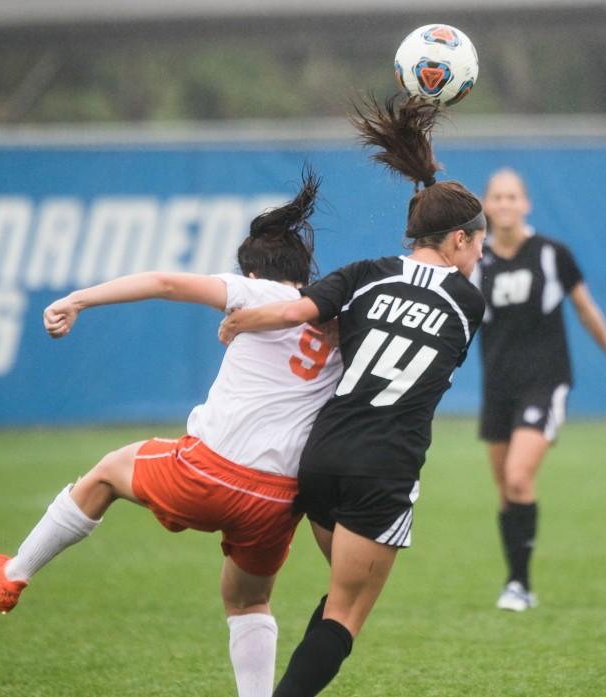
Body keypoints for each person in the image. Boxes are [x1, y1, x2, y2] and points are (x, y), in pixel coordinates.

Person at [0, 170, 342, 697]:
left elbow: (165, 282)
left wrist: (79, 299)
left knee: (105, 475)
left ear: (254, 269)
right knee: (249, 602)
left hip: (210, 471)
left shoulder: (253, 290)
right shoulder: (338, 322)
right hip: (277, 499)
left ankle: (12, 575)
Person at [217, 94, 487, 697]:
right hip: (383, 466)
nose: (479, 255)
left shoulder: (364, 274)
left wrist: (240, 320)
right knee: (345, 612)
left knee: (337, 595)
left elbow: (295, 309)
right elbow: (437, 272)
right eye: (477, 243)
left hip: (321, 457)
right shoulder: (468, 302)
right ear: (463, 242)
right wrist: (430, 180)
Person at [474, 168, 606, 612]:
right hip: (498, 388)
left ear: (526, 204)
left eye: (513, 196)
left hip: (544, 384)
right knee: (505, 493)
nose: (505, 204)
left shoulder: (551, 255)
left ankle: (518, 585)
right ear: (486, 206)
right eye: (497, 197)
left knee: (517, 477)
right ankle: (517, 582)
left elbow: (587, 312)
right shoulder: (475, 262)